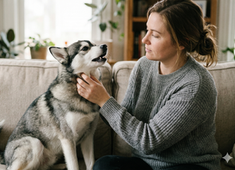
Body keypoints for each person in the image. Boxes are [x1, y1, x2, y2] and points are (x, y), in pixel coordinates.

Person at [76, 0, 222, 169]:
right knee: (104, 165)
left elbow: (149, 142)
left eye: (155, 35)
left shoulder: (196, 84)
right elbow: (123, 119)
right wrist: (94, 96)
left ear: (182, 42)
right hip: (146, 163)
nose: (145, 39)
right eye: (147, 30)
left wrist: (104, 101)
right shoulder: (144, 65)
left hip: (188, 165)